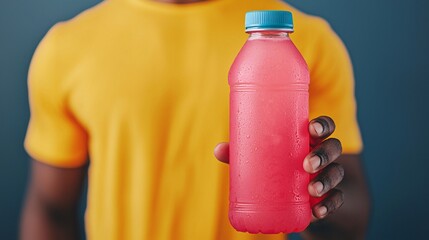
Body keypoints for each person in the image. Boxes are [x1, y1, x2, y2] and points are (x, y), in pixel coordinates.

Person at [20, 0, 370, 239]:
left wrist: (318, 197)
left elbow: (352, 211)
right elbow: (51, 210)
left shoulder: (310, 43)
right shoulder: (66, 48)